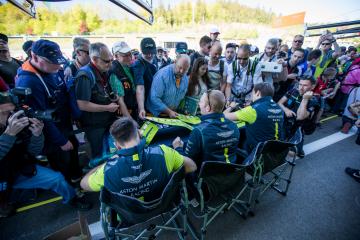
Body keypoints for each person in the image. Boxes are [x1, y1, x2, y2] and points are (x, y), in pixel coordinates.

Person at [0, 92, 91, 217]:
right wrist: (9, 135)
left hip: (19, 169)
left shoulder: (16, 123)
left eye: (12, 111)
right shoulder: (12, 128)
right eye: (4, 113)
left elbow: (33, 152)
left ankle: (72, 198)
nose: (11, 116)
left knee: (57, 179)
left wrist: (37, 135)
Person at [16, 40, 84, 187]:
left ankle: (77, 177)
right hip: (52, 133)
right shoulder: (28, 81)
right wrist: (60, 141)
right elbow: (41, 118)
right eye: (52, 62)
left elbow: (63, 93)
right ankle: (72, 193)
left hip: (65, 122)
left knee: (74, 150)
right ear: (34, 57)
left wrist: (74, 114)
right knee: (61, 162)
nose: (58, 66)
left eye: (58, 61)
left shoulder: (53, 69)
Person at [80, 117, 197, 201]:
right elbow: (192, 166)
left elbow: (83, 184)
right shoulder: (164, 152)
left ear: (117, 146)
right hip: (163, 204)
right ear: (140, 135)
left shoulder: (107, 171)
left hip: (129, 216)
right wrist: (178, 149)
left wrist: (106, 163)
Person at [75, 42, 119, 162]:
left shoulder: (102, 70)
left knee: (110, 152)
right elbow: (82, 104)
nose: (110, 64)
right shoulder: (85, 75)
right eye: (107, 61)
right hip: (94, 126)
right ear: (94, 59)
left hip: (107, 121)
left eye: (111, 60)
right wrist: (107, 107)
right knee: (98, 156)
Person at [173, 90, 239, 166]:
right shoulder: (234, 126)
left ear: (208, 108)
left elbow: (186, 164)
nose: (199, 104)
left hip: (206, 176)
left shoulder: (199, 131)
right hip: (233, 173)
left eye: (201, 101)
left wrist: (178, 148)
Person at [225, 83, 284, 154]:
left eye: (252, 94)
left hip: (258, 152)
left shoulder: (253, 110)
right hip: (276, 149)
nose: (251, 97)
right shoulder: (279, 108)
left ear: (258, 93)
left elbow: (223, 116)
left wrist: (231, 106)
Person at [278, 76, 320, 157]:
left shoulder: (314, 100)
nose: (301, 88)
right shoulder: (293, 91)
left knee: (295, 153)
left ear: (313, 86)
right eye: (300, 84)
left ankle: (298, 150)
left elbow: (300, 117)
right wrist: (286, 109)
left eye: (305, 85)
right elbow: (279, 103)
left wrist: (305, 99)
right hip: (286, 123)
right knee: (281, 139)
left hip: (298, 128)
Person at [110, 41, 136, 119]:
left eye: (130, 53)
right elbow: (120, 101)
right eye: (125, 55)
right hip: (123, 116)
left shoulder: (128, 67)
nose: (129, 57)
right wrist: (130, 120)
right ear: (116, 56)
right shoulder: (115, 73)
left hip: (132, 110)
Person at [133, 38, 157, 119]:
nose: (150, 55)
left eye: (152, 53)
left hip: (152, 102)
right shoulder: (138, 65)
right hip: (143, 104)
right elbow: (140, 87)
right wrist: (141, 108)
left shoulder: (153, 62)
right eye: (147, 53)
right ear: (142, 51)